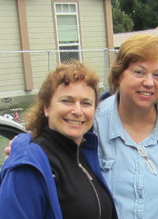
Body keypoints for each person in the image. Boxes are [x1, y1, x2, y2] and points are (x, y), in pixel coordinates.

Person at [0, 61, 117, 219]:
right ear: (47, 107)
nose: (77, 111)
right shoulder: (28, 165)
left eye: (86, 103)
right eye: (67, 101)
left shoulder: (86, 154)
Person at [94, 34, 158, 218]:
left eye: (157, 75)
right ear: (118, 76)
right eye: (139, 72)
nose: (148, 82)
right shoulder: (93, 122)